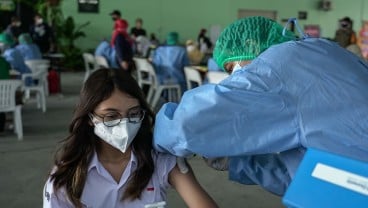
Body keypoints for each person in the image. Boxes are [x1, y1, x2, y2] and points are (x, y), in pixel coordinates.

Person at [153, 16, 368, 196]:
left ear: (249, 47)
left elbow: (187, 126)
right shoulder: (324, 51)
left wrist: (150, 131)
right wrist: (241, 163)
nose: (233, 77)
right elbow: (306, 175)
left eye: (231, 68)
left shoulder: (277, 67)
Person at [43, 68, 218, 208]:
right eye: (111, 116)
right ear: (89, 118)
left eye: (133, 113)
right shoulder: (68, 176)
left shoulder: (159, 159)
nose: (124, 124)